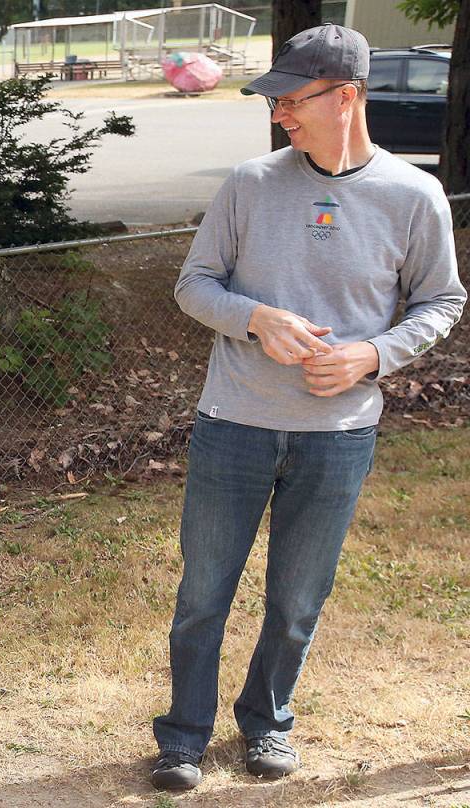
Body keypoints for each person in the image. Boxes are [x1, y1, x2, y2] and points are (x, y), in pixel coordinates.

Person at [149, 23, 466, 791]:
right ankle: (184, 738)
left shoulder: (413, 196)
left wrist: (373, 354)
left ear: (346, 97)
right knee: (202, 595)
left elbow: (441, 300)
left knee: (296, 599)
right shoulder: (251, 184)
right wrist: (256, 318)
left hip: (338, 436)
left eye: (292, 99)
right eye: (278, 101)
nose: (279, 114)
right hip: (234, 425)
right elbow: (195, 285)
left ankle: (267, 726)